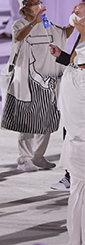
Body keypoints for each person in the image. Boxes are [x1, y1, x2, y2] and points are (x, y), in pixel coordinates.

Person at [1, 0, 72, 172]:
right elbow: (18, 38)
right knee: (27, 120)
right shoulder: (19, 24)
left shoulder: (45, 22)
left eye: (38, 1)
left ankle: (39, 156)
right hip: (27, 79)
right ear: (24, 8)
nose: (38, 4)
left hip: (48, 78)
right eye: (34, 2)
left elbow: (61, 34)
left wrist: (74, 22)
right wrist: (34, 23)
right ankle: (24, 159)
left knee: (46, 118)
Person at [57, 42, 85, 244]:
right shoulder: (76, 81)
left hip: (74, 145)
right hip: (79, 146)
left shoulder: (70, 78)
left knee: (77, 196)